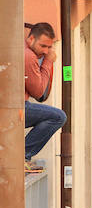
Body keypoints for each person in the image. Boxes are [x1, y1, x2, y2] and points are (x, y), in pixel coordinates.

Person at [24, 22, 66, 172]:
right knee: (58, 117)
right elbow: (39, 92)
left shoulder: (22, 49)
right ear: (31, 39)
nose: (46, 51)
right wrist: (48, 61)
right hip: (15, 108)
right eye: (43, 46)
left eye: (49, 47)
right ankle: (22, 156)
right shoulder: (28, 56)